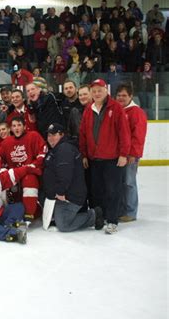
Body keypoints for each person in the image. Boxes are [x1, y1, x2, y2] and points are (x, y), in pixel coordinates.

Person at [79, 79, 131, 234]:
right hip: (94, 159)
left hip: (112, 159)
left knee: (113, 191)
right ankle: (99, 218)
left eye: (99, 90)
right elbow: (83, 134)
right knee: (97, 191)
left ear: (105, 90)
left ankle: (112, 220)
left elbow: (124, 133)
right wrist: (84, 155)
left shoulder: (115, 108)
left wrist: (123, 154)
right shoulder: (89, 109)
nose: (96, 93)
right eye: (94, 91)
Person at [43, 123, 104, 232]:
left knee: (63, 224)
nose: (50, 138)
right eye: (49, 136)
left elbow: (65, 174)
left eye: (54, 135)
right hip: (61, 194)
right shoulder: (57, 149)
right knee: (57, 218)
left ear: (62, 135)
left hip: (69, 196)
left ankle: (93, 215)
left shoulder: (64, 149)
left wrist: (60, 192)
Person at [0, 116, 47, 219]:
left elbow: (43, 152)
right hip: (16, 174)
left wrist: (33, 165)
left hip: (31, 173)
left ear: (24, 126)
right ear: (11, 129)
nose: (16, 128)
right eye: (14, 126)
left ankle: (29, 214)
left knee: (29, 180)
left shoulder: (33, 136)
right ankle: (9, 213)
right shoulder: (7, 142)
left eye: (19, 125)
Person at [115, 83, 147, 222]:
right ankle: (122, 210)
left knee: (129, 182)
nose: (121, 98)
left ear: (131, 96)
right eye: (119, 95)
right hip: (118, 155)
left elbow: (138, 136)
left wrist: (133, 154)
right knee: (121, 183)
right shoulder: (117, 110)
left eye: (124, 95)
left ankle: (131, 212)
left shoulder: (136, 112)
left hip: (130, 155)